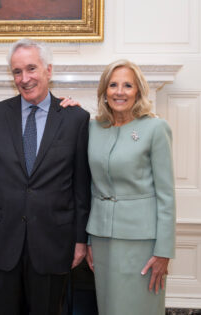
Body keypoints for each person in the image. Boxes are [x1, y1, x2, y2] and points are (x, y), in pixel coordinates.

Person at [0, 38, 91, 315]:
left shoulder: (76, 118)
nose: (24, 78)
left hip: (54, 239)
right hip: (4, 237)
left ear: (48, 70)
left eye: (31, 69)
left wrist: (80, 239)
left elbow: (81, 185)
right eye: (17, 71)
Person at [85, 59, 176, 315]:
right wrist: (90, 239)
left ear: (138, 91)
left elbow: (166, 195)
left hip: (142, 243)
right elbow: (91, 186)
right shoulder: (93, 129)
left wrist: (164, 252)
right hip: (102, 239)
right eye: (113, 85)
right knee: (109, 308)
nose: (119, 91)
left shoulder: (155, 128)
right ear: (104, 91)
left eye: (127, 85)